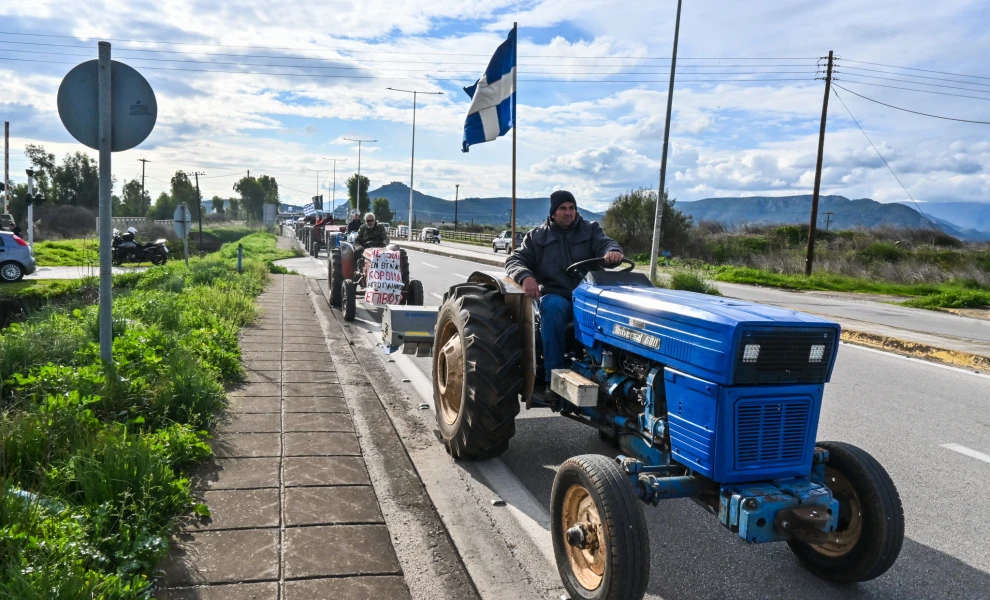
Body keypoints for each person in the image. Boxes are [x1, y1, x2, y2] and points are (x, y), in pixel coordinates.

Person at [505, 190, 623, 384]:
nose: (568, 212)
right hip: (557, 295)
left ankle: (612, 371)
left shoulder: (591, 229)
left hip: (588, 294)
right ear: (553, 213)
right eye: (563, 209)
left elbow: (605, 243)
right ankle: (555, 376)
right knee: (552, 307)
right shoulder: (536, 237)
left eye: (572, 208)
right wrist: (525, 277)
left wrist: (613, 251)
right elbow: (515, 259)